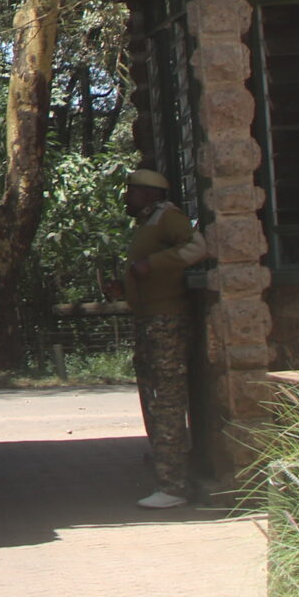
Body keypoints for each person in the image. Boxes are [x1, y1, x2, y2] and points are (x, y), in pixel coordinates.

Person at [120, 168, 207, 510]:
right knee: (154, 395)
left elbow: (197, 247)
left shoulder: (167, 217)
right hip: (149, 319)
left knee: (167, 398)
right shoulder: (147, 222)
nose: (127, 197)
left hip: (165, 321)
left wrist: (153, 264)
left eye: (132, 191)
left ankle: (173, 485)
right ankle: (165, 468)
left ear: (148, 194)